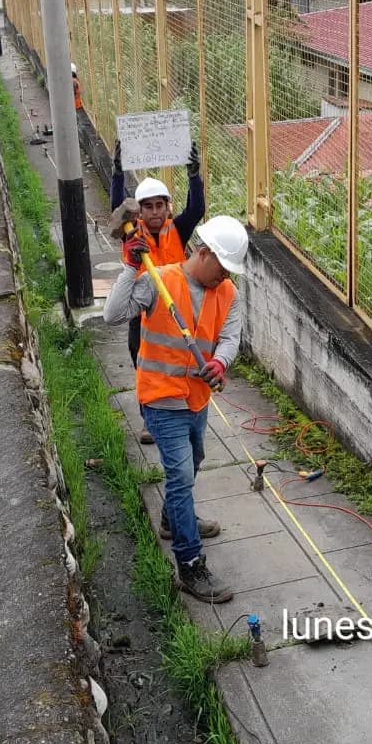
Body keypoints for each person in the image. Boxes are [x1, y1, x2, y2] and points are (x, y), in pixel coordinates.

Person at [103, 216, 249, 603]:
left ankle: (173, 517)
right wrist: (130, 269)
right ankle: (189, 564)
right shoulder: (160, 279)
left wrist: (220, 363)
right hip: (161, 397)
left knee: (195, 458)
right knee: (181, 474)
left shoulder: (228, 292)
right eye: (223, 267)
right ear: (204, 253)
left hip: (196, 398)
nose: (225, 277)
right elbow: (112, 314)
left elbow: (231, 337)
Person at [110, 141, 205, 444]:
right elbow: (117, 206)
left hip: (177, 312)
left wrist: (194, 176)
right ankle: (150, 420)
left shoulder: (178, 229)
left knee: (181, 363)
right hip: (143, 313)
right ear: (139, 210)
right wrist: (117, 172)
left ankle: (184, 408)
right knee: (144, 365)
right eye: (147, 206)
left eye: (159, 205)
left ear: (168, 207)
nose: (154, 212)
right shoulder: (131, 232)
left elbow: (197, 208)